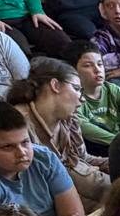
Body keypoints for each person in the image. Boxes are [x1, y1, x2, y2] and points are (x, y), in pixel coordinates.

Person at [8, 57, 110, 205]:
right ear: (55, 85)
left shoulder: (69, 120)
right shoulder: (17, 123)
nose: (82, 99)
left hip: (86, 189)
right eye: (76, 89)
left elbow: (83, 158)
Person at [68, 42, 120, 148]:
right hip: (99, 147)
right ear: (74, 71)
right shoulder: (74, 99)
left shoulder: (111, 89)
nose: (97, 70)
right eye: (88, 65)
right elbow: (84, 128)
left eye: (100, 64)